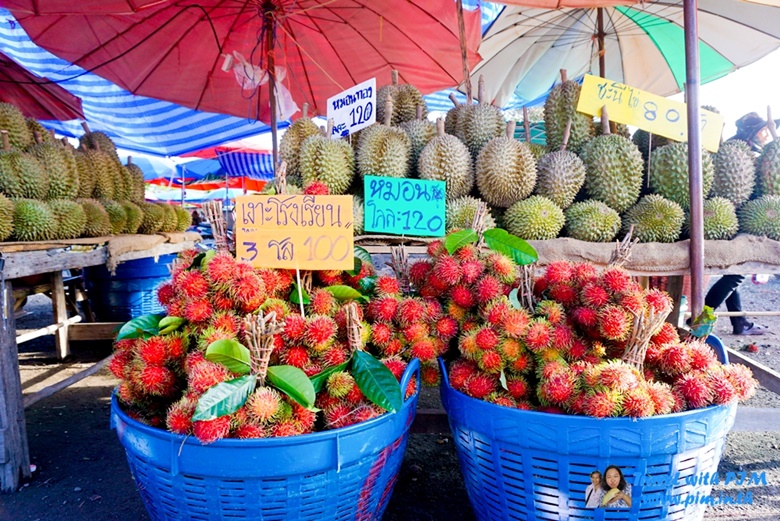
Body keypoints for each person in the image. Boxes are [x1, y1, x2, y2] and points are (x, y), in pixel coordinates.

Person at [701, 112, 773, 336]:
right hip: (737, 219)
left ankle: (739, 322)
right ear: (754, 131)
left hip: (732, 215)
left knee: (733, 273)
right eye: (763, 130)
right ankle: (702, 319)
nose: (765, 134)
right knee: (736, 274)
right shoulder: (745, 150)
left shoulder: (738, 145)